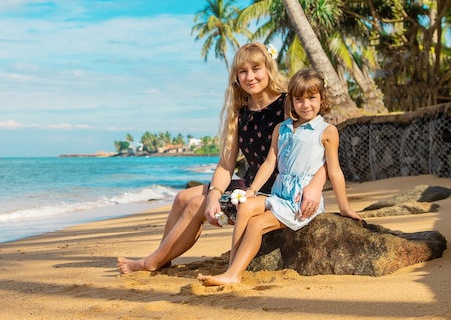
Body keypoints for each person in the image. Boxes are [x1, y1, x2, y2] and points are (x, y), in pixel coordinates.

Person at [117, 43, 326, 274]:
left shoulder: (289, 103)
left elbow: (318, 146)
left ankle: (150, 262)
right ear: (236, 77)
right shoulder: (240, 112)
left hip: (276, 189)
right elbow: (226, 165)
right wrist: (214, 195)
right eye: (242, 71)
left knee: (196, 203)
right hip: (251, 183)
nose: (250, 77)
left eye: (256, 68)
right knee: (181, 198)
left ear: (268, 68)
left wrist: (315, 186)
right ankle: (162, 258)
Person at [198, 69, 362, 286]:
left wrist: (345, 209)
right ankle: (230, 267)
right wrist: (252, 190)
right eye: (299, 99)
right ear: (291, 101)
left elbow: (334, 171)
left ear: (322, 99)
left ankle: (234, 275)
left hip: (298, 202)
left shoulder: (327, 131)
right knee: (245, 207)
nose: (306, 105)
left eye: (312, 98)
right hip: (278, 194)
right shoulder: (281, 128)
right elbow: (269, 163)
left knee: (256, 225)